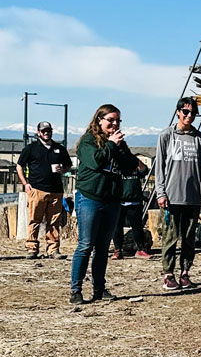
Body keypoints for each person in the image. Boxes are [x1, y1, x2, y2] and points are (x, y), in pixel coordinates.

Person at [71, 104, 140, 304]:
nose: (114, 124)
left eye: (118, 120)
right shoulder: (88, 141)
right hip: (90, 198)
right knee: (86, 245)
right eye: (110, 120)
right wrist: (110, 144)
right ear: (99, 120)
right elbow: (96, 162)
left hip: (112, 201)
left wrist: (121, 148)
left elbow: (129, 167)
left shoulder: (117, 143)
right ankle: (76, 290)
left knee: (102, 248)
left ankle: (99, 289)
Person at [154, 97, 201, 291]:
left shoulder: (200, 139)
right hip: (171, 196)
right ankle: (168, 274)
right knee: (170, 237)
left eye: (193, 113)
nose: (189, 116)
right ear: (178, 112)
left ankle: (185, 272)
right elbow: (159, 167)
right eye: (185, 112)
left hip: (193, 197)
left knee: (189, 238)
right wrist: (160, 193)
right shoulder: (166, 136)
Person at [16, 121, 73, 259]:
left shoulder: (59, 148)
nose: (46, 133)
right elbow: (19, 166)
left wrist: (63, 170)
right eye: (44, 131)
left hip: (56, 190)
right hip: (37, 189)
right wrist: (25, 183)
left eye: (48, 131)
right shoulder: (30, 149)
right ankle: (32, 248)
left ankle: (53, 249)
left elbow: (68, 166)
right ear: (38, 133)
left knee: (54, 221)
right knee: (34, 220)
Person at [112, 161, 151, 259]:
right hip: (119, 201)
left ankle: (140, 249)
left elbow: (145, 170)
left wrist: (135, 160)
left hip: (134, 201)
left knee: (137, 227)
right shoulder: (115, 165)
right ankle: (117, 250)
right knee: (117, 226)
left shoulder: (134, 166)